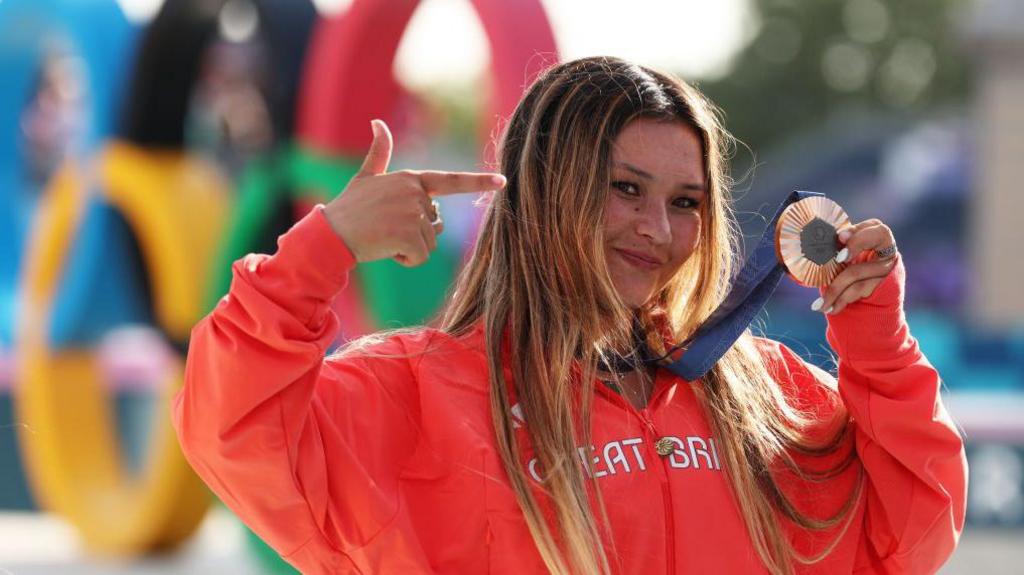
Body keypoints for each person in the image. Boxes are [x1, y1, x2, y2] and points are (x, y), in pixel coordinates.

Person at [172, 56, 967, 574]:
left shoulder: (764, 397)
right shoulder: (414, 395)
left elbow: (913, 536)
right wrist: (327, 246)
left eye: (684, 202)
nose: (657, 230)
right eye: (625, 189)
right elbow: (232, 430)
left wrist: (877, 343)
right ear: (546, 189)